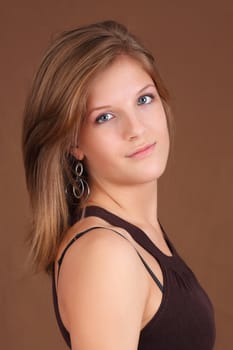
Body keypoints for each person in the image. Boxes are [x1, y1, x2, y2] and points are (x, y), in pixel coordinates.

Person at [22, 20, 215, 350]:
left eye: (144, 99)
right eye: (105, 117)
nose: (136, 128)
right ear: (73, 143)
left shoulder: (135, 233)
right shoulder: (106, 254)